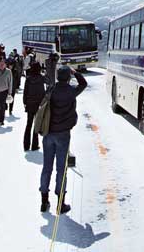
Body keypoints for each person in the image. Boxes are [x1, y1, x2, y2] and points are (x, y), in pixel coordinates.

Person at [39, 66, 87, 214]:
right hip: (63, 134)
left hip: (48, 133)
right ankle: (61, 204)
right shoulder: (71, 92)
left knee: (47, 167)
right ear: (68, 77)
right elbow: (83, 84)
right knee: (61, 169)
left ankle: (44, 201)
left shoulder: (51, 90)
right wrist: (76, 72)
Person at [22, 61, 45, 152]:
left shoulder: (28, 79)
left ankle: (26, 145)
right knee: (37, 124)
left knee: (28, 124)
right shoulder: (41, 78)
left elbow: (25, 92)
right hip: (39, 104)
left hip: (30, 103)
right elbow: (48, 84)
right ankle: (34, 145)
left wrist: (25, 103)